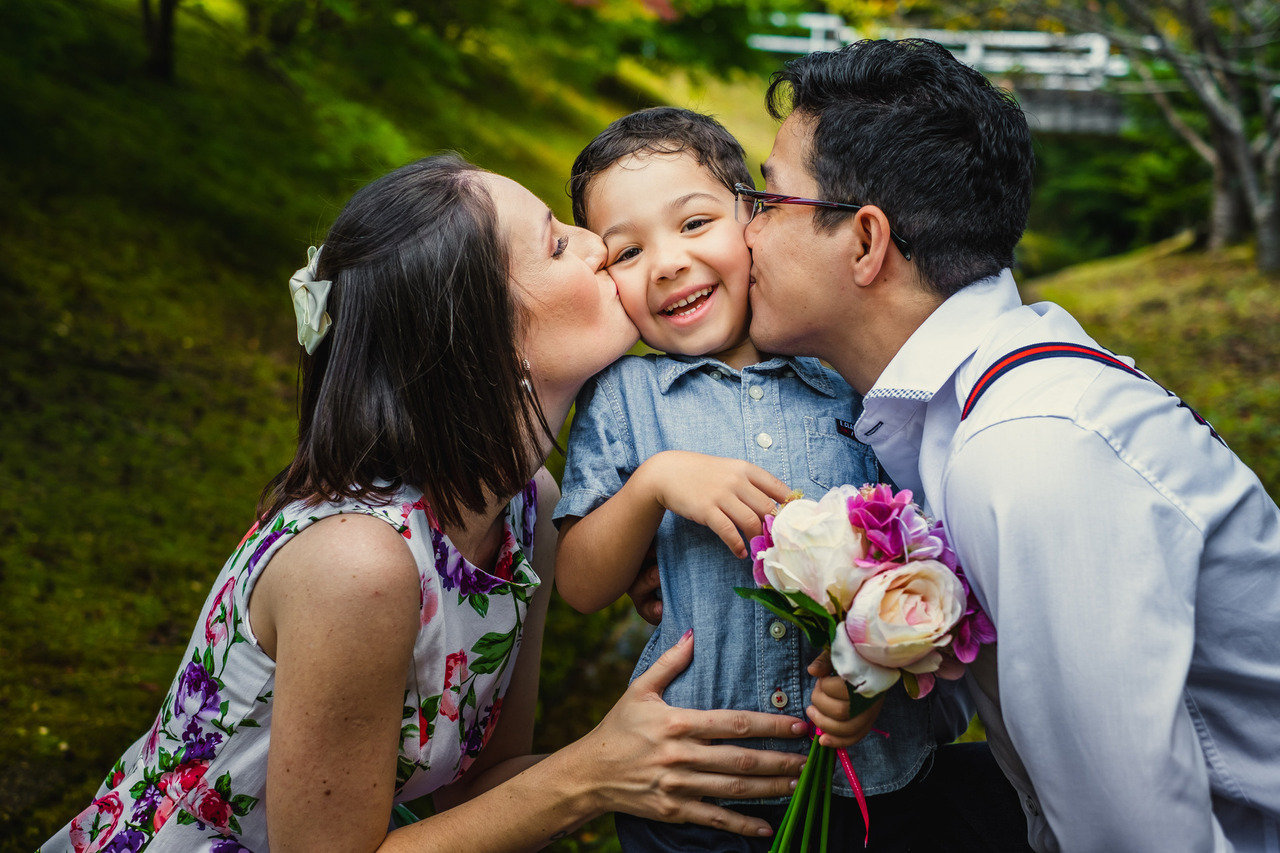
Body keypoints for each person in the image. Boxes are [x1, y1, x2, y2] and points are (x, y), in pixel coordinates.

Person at [38, 154, 815, 853]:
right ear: (491, 338)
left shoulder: (524, 508)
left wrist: (670, 758)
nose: (595, 243)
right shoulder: (358, 561)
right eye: (555, 243)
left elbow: (486, 780)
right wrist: (591, 773)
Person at [743, 37, 1280, 852]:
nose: (740, 233)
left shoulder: (1031, 451)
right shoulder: (965, 406)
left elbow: (1132, 833)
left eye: (765, 199)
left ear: (863, 242)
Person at [553, 107, 978, 852]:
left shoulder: (845, 377)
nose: (668, 264)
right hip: (690, 779)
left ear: (753, 219)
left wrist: (868, 683)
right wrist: (655, 482)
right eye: (626, 252)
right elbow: (582, 585)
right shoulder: (625, 396)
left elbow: (922, 555)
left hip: (859, 779)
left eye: (693, 224)